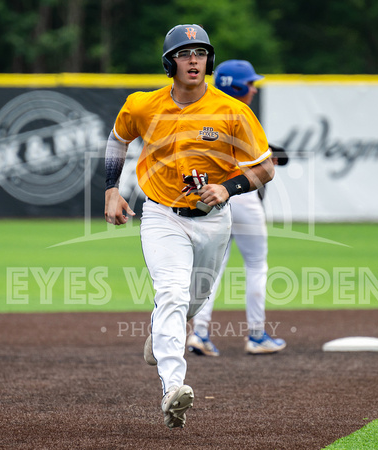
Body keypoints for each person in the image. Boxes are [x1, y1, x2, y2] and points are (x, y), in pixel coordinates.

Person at [104, 27, 275, 429]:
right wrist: (111, 189)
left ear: (209, 61)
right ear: (170, 62)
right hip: (162, 215)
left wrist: (228, 187)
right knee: (173, 292)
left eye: (201, 52)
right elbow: (117, 140)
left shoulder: (232, 111)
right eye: (185, 53)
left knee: (192, 303)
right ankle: (173, 389)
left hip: (214, 222)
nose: (194, 60)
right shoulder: (143, 106)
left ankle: (161, 326)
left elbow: (265, 168)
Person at [187, 60, 288, 357]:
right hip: (241, 193)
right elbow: (259, 162)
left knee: (213, 268)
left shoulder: (204, 109)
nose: (254, 89)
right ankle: (256, 336)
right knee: (256, 265)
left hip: (214, 195)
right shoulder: (241, 113)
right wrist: (271, 154)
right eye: (251, 83)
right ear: (240, 87)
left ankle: (200, 334)